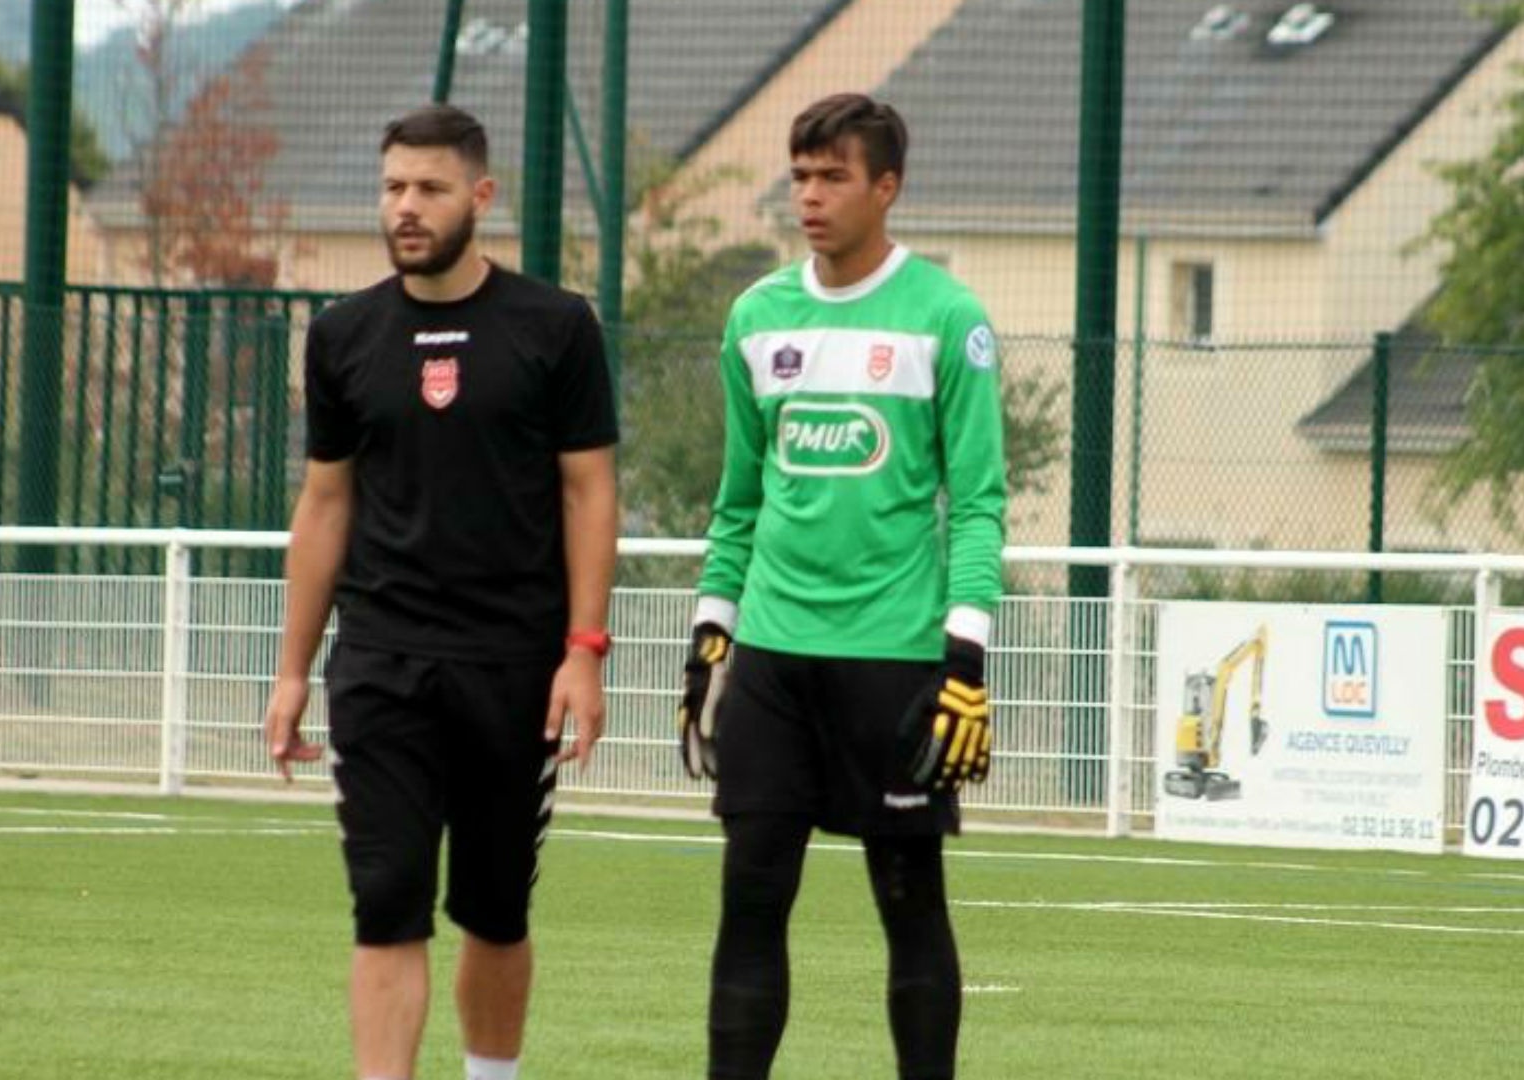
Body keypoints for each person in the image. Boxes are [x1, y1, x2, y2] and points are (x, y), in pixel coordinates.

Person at [262, 103, 619, 1080]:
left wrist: (584, 653)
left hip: (515, 664)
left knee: (496, 909)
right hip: (380, 663)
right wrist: (293, 669)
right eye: (392, 188)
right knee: (385, 900)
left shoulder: (556, 327)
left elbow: (590, 491)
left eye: (429, 188)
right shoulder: (342, 336)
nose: (406, 208)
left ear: (481, 195)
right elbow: (325, 504)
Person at [677, 93, 1005, 1080]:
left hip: (896, 661)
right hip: (774, 660)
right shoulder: (755, 318)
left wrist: (965, 653)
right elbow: (737, 504)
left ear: (886, 187)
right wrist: (711, 633)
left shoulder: (948, 319)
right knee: (750, 896)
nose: (808, 196)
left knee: (910, 901)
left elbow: (980, 501)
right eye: (800, 174)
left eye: (832, 176)